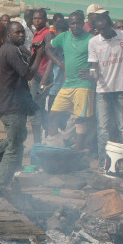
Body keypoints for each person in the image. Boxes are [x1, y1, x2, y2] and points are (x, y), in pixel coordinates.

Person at [0, 22, 45, 186]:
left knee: (18, 136)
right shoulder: (10, 50)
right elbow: (27, 74)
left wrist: (35, 52)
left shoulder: (14, 49)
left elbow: (24, 65)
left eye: (23, 32)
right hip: (10, 105)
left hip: (13, 103)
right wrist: (39, 55)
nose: (22, 35)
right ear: (8, 35)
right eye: (17, 33)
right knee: (15, 146)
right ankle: (0, 183)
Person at [88, 12, 123, 169]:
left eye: (104, 28)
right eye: (98, 29)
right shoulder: (94, 42)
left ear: (111, 25)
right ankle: (103, 164)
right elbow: (94, 66)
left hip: (121, 89)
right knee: (103, 129)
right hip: (103, 91)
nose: (101, 32)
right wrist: (92, 75)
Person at [47, 11, 95, 152]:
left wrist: (92, 74)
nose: (75, 25)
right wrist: (60, 64)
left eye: (78, 22)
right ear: (69, 25)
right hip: (68, 84)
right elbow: (48, 47)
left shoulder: (90, 39)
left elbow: (97, 60)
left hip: (84, 84)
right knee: (52, 115)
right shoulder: (63, 37)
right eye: (72, 23)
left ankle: (78, 154)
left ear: (83, 24)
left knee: (80, 120)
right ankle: (55, 145)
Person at [29, 9, 51, 143]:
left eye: (40, 18)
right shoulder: (36, 34)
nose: (37, 21)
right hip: (35, 76)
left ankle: (39, 142)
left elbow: (50, 58)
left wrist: (44, 80)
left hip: (41, 77)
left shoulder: (47, 34)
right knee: (36, 111)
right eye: (35, 18)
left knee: (37, 110)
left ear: (45, 20)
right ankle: (38, 142)